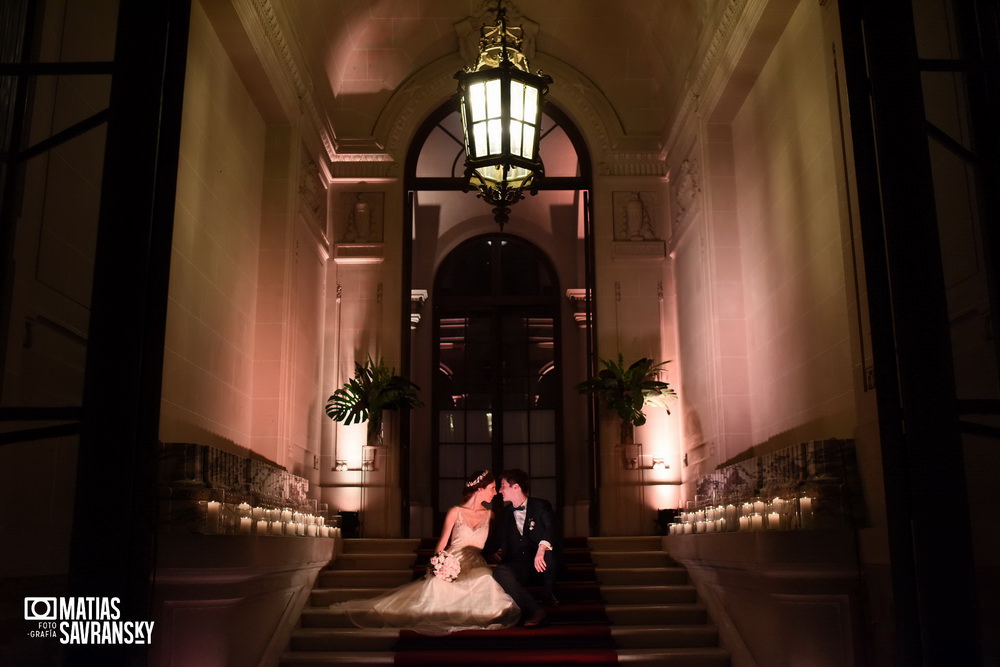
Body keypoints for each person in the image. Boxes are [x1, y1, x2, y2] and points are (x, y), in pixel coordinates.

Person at [330, 470, 519, 634]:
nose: (496, 493)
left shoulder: (490, 515)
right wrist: (436, 565)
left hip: (476, 562)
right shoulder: (455, 512)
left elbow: (491, 545)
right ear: (479, 489)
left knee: (485, 579)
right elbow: (443, 542)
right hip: (453, 560)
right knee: (438, 586)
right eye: (492, 488)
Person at [483, 468, 558, 628]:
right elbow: (493, 544)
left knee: (548, 555)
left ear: (516, 487)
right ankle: (535, 610)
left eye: (502, 486)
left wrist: (541, 548)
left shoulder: (541, 506)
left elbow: (550, 527)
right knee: (500, 571)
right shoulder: (504, 514)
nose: (499, 491)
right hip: (517, 566)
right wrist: (466, 552)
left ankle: (548, 593)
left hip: (541, 564)